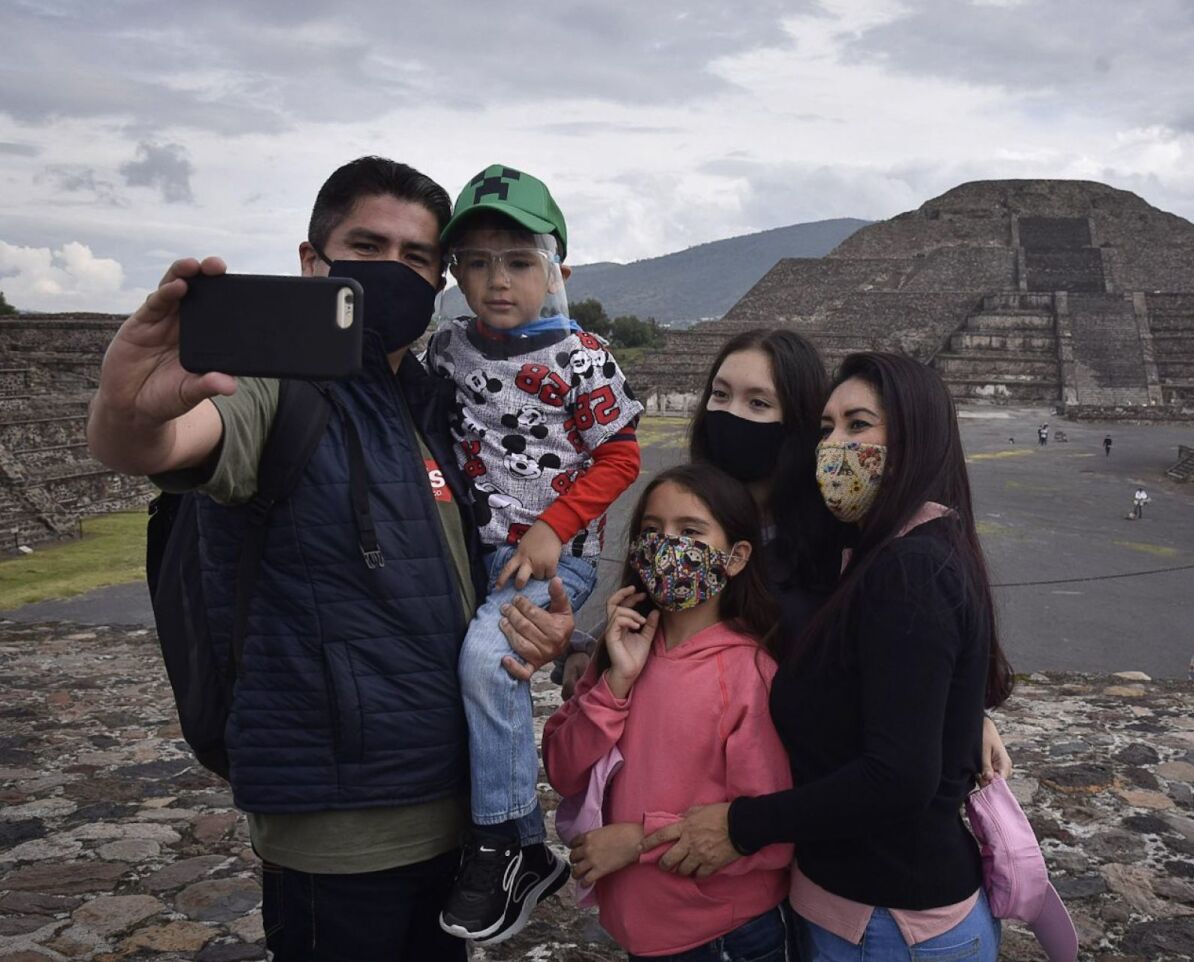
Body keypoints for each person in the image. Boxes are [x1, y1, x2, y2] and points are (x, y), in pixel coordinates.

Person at [85, 157, 575, 960]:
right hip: (341, 825)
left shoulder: (437, 399)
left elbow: (459, 581)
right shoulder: (275, 382)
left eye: (417, 257)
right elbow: (172, 440)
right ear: (313, 262)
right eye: (367, 246)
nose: (394, 270)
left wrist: (541, 635)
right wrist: (127, 411)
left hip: (452, 809)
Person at [640, 353, 1013, 962]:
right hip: (853, 911)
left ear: (914, 438)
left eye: (858, 425)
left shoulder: (910, 568)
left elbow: (899, 777)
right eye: (825, 429)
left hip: (891, 921)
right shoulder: (873, 551)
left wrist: (741, 826)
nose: (835, 446)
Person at [553, 330, 1016, 776]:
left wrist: (967, 712)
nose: (730, 414)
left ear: (796, 423)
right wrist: (583, 649)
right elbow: (649, 610)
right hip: (676, 772)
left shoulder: (837, 535)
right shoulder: (679, 519)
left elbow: (906, 645)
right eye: (719, 395)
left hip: (788, 792)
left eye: (758, 402)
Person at [424, 165, 644, 941]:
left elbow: (620, 457)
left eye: (518, 261)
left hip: (555, 559)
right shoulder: (447, 351)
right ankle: (499, 836)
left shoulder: (580, 356)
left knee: (490, 663)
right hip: (472, 550)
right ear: (455, 273)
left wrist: (554, 526)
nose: (497, 281)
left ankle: (510, 840)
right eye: (477, 262)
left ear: (557, 271)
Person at [543, 464, 795, 961]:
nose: (667, 546)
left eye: (691, 531)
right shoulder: (618, 653)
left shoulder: (750, 672)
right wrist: (615, 684)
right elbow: (563, 769)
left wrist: (638, 841)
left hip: (724, 938)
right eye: (652, 532)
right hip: (642, 935)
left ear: (737, 556)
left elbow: (768, 833)